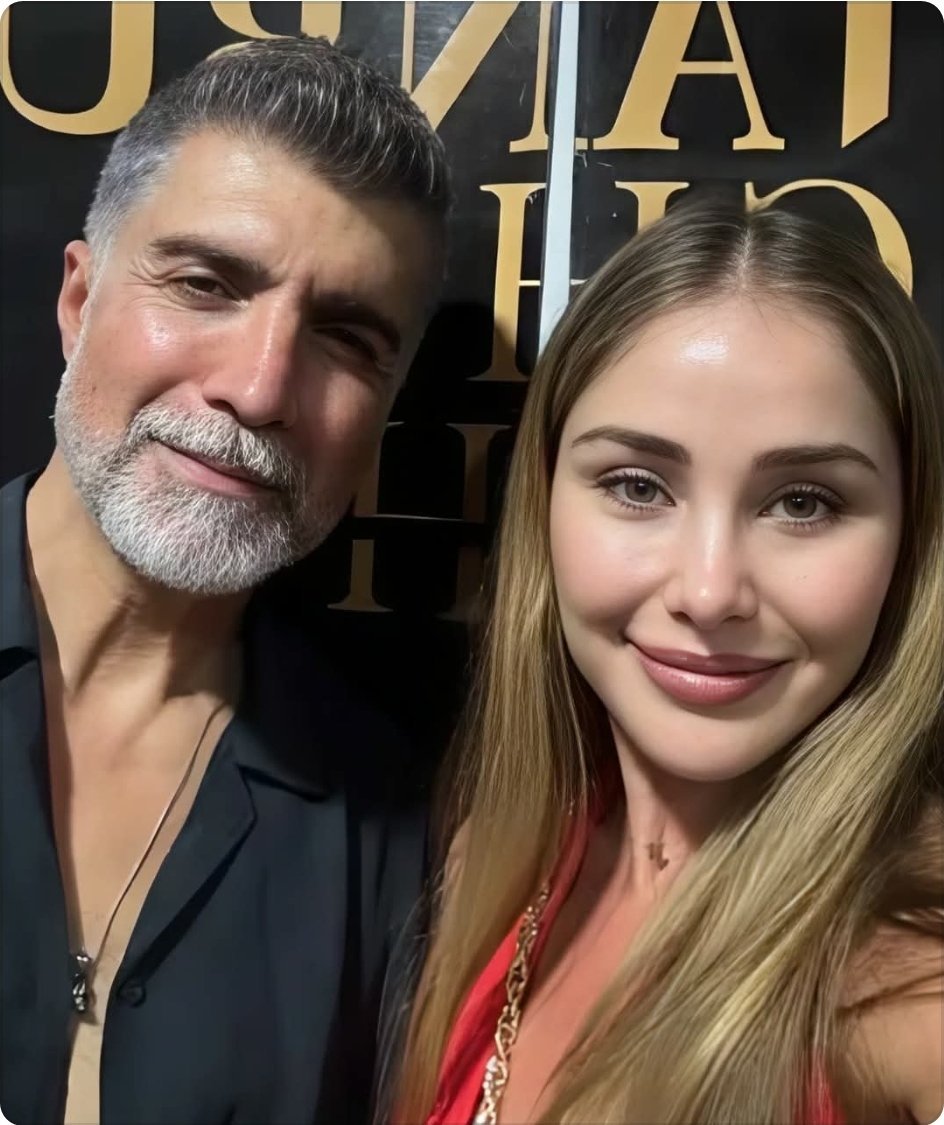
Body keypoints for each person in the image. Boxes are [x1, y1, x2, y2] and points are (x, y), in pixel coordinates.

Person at [390, 202, 944, 1125]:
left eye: (804, 502)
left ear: (908, 545)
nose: (710, 590)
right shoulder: (492, 860)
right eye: (638, 486)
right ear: (544, 504)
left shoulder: (915, 989)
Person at [0, 35, 450, 1125]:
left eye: (344, 338)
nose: (258, 388)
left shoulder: (398, 824)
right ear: (78, 301)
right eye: (205, 285)